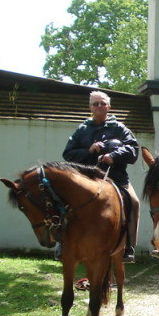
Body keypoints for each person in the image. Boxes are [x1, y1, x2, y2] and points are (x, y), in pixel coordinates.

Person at [62, 90, 140, 262]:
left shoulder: (119, 128)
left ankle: (128, 245)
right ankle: (63, 244)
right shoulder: (82, 129)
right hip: (86, 179)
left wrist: (113, 155)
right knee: (63, 201)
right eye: (95, 104)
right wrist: (88, 150)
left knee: (133, 202)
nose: (99, 106)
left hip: (116, 178)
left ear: (109, 106)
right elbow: (68, 154)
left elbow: (133, 149)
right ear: (90, 107)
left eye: (102, 103)